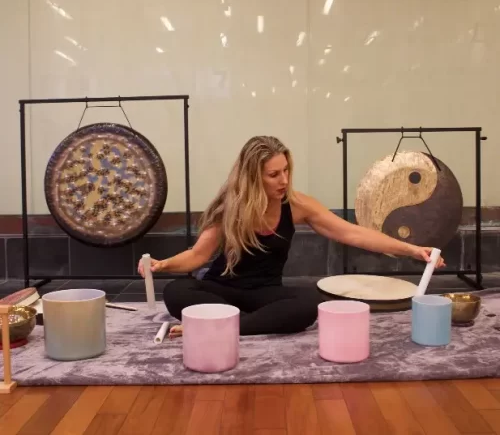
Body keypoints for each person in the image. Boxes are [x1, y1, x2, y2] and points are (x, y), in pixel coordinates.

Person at [138, 135, 445, 336]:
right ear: (253, 176)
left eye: (286, 170)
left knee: (307, 303)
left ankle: (222, 326)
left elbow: (352, 234)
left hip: (265, 294)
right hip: (222, 290)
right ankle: (239, 322)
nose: (283, 179)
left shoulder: (297, 206)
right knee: (177, 293)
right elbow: (198, 255)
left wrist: (413, 249)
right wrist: (162, 266)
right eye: (274, 174)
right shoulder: (229, 208)